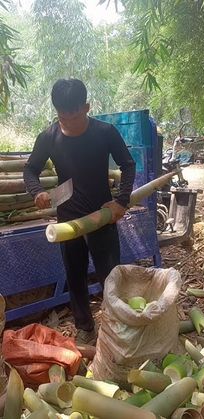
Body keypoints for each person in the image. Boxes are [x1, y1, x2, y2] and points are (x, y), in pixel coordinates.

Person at [23, 79, 136, 345]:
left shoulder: (105, 132)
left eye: (75, 117)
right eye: (63, 118)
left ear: (86, 107)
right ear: (57, 112)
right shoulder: (49, 137)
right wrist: (36, 190)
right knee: (75, 276)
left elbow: (128, 165)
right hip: (68, 219)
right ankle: (85, 327)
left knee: (111, 275)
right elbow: (30, 169)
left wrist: (121, 201)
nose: (69, 124)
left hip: (102, 216)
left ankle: (118, 327)